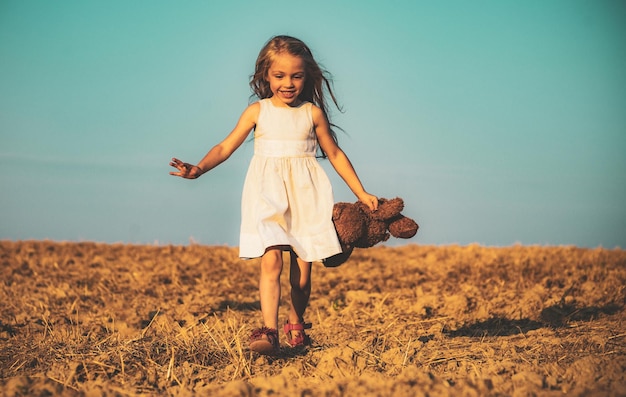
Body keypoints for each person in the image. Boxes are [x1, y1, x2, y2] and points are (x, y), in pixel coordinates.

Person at [169, 35, 378, 355]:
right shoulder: (257, 112)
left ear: (307, 77)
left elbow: (334, 154)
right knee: (271, 263)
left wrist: (360, 192)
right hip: (267, 196)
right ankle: (268, 329)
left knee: (303, 279)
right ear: (265, 75)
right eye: (279, 76)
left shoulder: (312, 114)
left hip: (307, 197)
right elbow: (226, 146)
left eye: (296, 76)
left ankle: (296, 322)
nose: (288, 83)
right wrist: (198, 169)